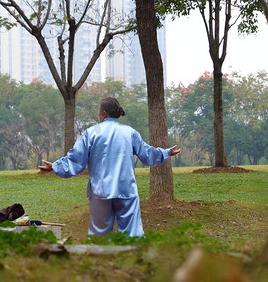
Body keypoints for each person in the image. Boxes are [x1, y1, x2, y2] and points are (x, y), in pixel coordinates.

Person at [38, 97, 181, 237]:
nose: (98, 115)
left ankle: (102, 257)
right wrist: (166, 152)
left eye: (99, 112)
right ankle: (132, 256)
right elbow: (147, 153)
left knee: (99, 235)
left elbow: (76, 158)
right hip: (126, 190)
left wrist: (56, 166)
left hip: (101, 191)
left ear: (104, 113)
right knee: (132, 234)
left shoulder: (93, 132)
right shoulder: (129, 132)